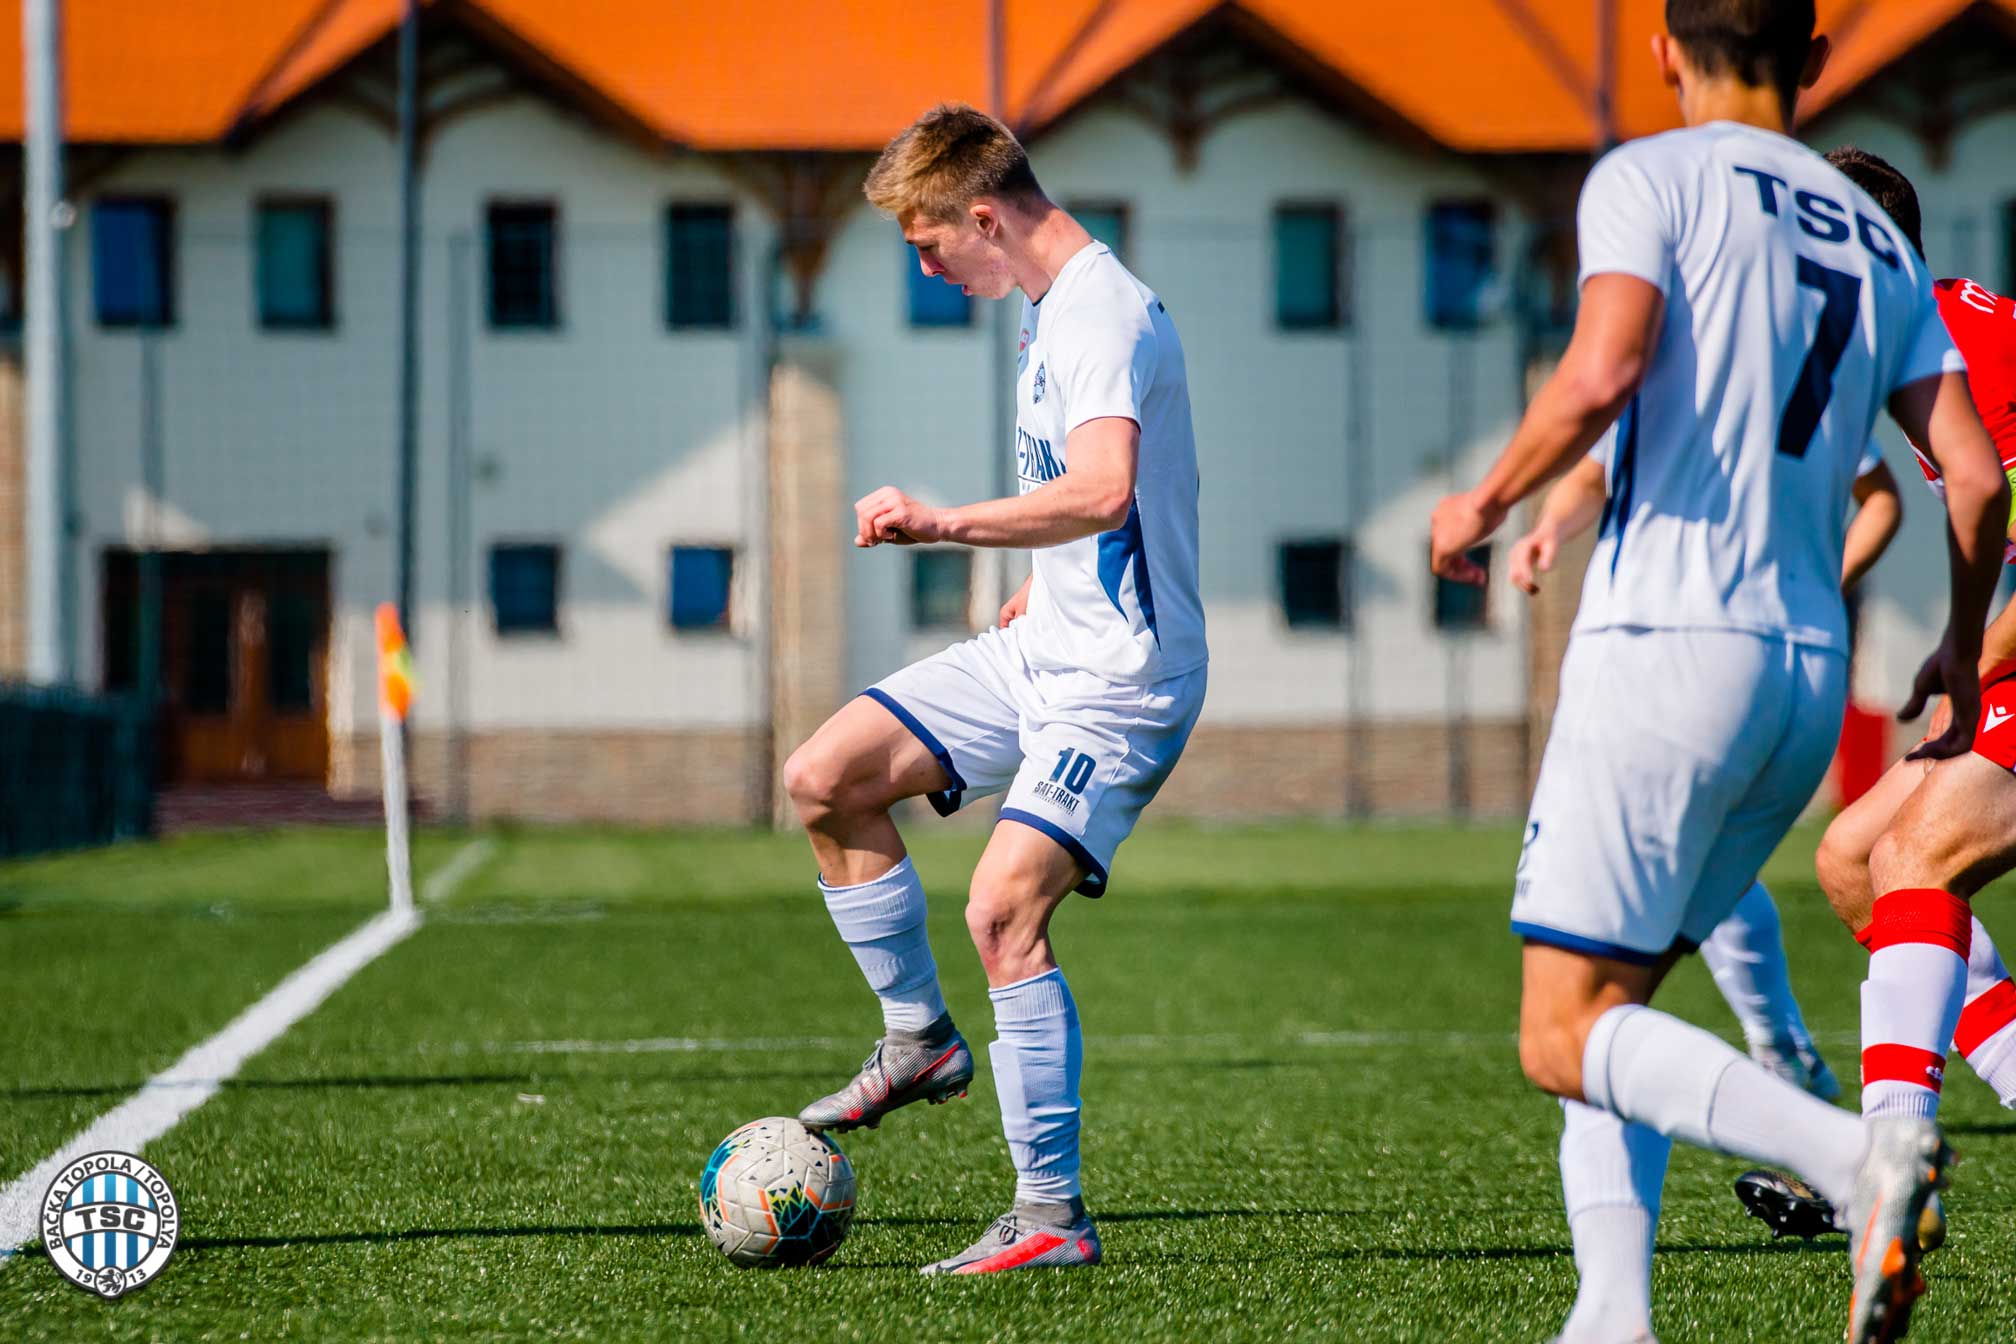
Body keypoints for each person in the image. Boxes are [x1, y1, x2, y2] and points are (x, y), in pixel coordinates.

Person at [1426, 3, 2008, 1340]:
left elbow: (1605, 368)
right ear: (1815, 63)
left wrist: (1486, 502)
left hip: (1668, 648)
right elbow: (1974, 482)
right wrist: (1962, 644)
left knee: (1561, 1031)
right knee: (1618, 1002)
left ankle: (1857, 1157)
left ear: (1664, 52)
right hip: (1803, 676)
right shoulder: (1877, 238)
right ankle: (1612, 1315)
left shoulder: (1652, 175)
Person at [780, 102, 1208, 1275]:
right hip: (1044, 647)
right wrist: (1042, 582)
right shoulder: (1045, 307)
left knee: (1002, 911)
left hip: (1119, 682)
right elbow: (1100, 505)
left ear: (983, 217)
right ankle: (918, 1038)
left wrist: (944, 523)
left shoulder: (1100, 313)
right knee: (824, 778)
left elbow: (1107, 487)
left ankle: (1051, 1216)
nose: (925, 270)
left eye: (928, 247)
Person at [1707, 148, 2016, 1242]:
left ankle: (1885, 1174)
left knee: (1917, 858)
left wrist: (1970, 652)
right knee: (1852, 859)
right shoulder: (1907, 345)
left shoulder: (1971, 348)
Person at [1509, 429, 1907, 1103]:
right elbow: (1589, 473)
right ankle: (1783, 1050)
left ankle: (1827, 1126)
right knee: (1712, 869)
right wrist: (1548, 527)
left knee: (1585, 1008)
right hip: (1735, 662)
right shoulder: (1683, 379)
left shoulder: (1727, 371)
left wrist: (1488, 503)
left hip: (1694, 663)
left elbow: (1892, 493)